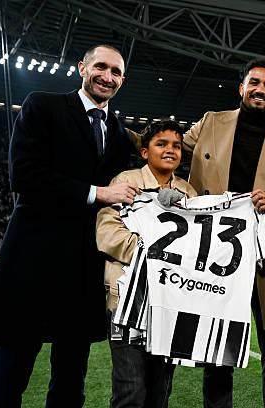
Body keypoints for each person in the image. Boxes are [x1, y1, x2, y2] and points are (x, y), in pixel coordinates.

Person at [0, 44, 141, 407]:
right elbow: (24, 175)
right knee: (9, 374)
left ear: (123, 80)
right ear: (82, 67)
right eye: (101, 67)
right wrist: (97, 193)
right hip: (32, 261)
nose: (107, 77)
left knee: (70, 379)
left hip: (83, 268)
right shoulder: (43, 106)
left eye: (115, 72)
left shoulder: (119, 133)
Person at [183, 58, 265, 408]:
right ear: (241, 88)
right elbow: (171, 149)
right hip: (215, 254)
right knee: (217, 355)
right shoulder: (210, 122)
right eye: (254, 82)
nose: (260, 90)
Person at [96, 120, 197, 408]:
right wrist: (154, 252)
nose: (170, 150)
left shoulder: (189, 192)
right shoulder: (125, 181)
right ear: (144, 152)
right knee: (129, 391)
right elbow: (107, 233)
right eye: (161, 144)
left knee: (160, 391)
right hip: (127, 302)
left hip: (170, 304)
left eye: (176, 146)